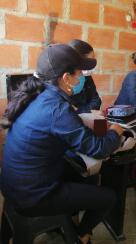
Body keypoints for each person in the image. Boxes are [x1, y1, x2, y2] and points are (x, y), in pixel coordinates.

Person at [0, 44, 124, 244]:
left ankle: (71, 217)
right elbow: (98, 149)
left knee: (85, 177)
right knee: (108, 197)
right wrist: (114, 133)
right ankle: (81, 234)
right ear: (66, 78)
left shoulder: (35, 94)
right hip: (32, 196)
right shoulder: (57, 108)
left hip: (14, 185)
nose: (82, 77)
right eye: (79, 72)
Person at [68, 39, 102, 114]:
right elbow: (68, 111)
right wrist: (88, 111)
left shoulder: (87, 76)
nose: (92, 65)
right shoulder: (62, 83)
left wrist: (86, 112)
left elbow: (96, 100)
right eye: (90, 61)